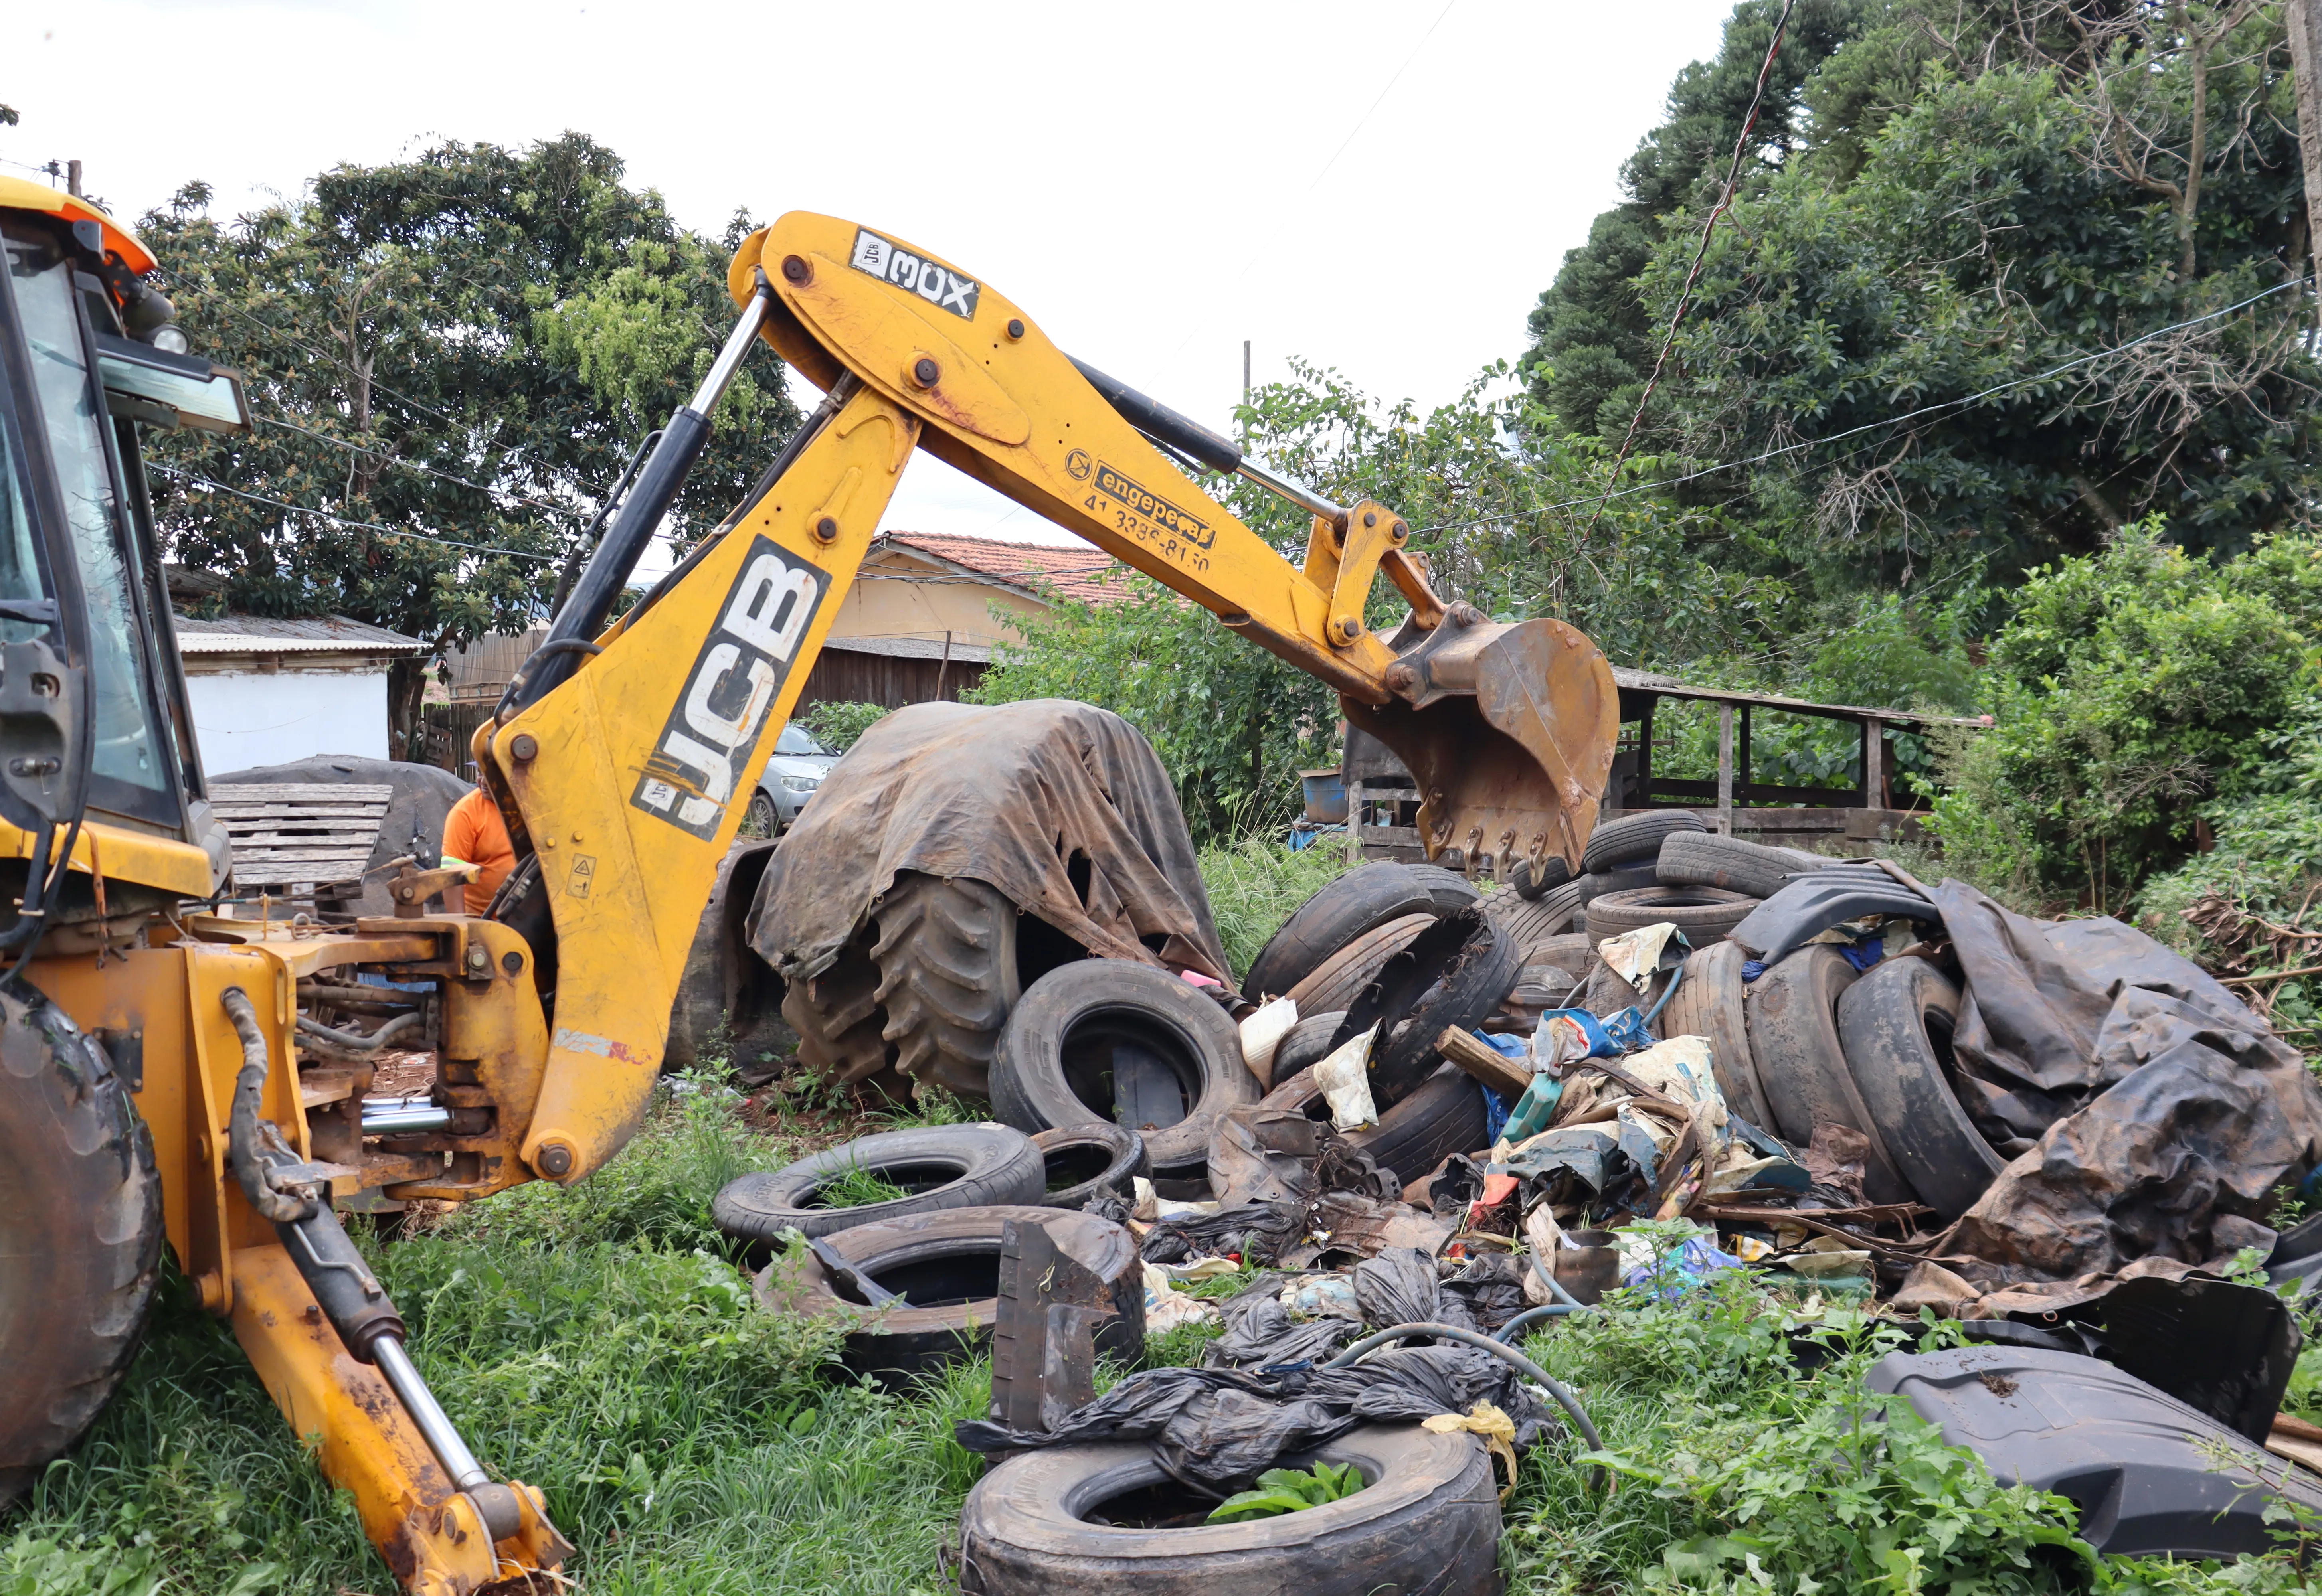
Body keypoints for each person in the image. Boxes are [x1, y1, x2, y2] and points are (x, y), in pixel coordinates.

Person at [439, 784, 515, 915]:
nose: (484, 781)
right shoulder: (465, 813)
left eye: (489, 774)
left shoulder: (533, 806)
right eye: (480, 773)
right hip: (483, 918)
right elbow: (452, 876)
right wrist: (463, 927)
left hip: (531, 916)